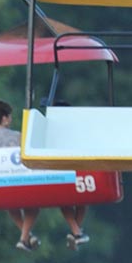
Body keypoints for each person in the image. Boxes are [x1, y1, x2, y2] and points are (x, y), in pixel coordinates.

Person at [0, 99, 41, 251]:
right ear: (4, 118)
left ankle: (26, 237)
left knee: (10, 203)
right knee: (33, 204)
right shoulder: (17, 137)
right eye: (9, 117)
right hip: (17, 182)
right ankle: (24, 237)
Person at [52, 100, 90, 249]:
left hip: (63, 171)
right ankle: (76, 232)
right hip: (67, 171)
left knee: (68, 198)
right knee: (79, 199)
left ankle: (76, 231)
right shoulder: (76, 132)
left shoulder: (52, 130)